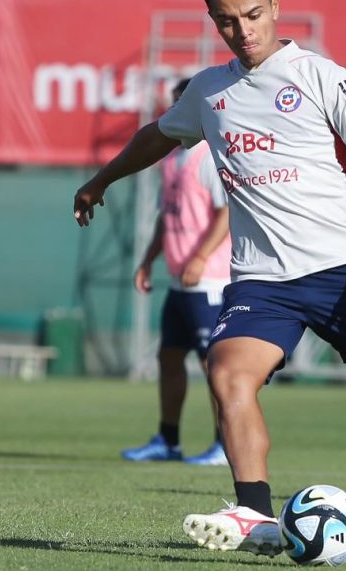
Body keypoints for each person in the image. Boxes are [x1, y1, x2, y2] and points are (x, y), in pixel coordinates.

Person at [74, 0, 346, 556]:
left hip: (339, 271)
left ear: (275, 7)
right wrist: (101, 180)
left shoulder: (325, 78)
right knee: (225, 373)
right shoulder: (208, 91)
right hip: (261, 283)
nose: (243, 30)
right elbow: (156, 135)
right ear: (213, 22)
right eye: (227, 21)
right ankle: (254, 514)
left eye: (252, 14)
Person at [120, 78, 231, 467]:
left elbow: (226, 214)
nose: (173, 111)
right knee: (169, 357)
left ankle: (225, 443)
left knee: (215, 365)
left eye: (179, 104)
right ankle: (168, 440)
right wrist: (149, 259)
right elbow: (166, 217)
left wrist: (200, 258)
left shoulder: (209, 156)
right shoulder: (172, 158)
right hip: (180, 281)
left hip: (210, 281)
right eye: (171, 104)